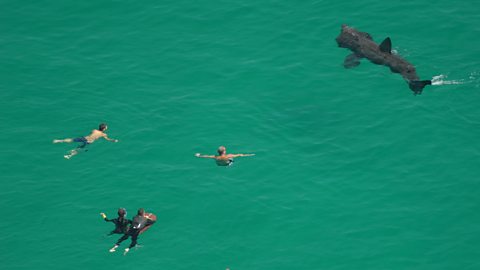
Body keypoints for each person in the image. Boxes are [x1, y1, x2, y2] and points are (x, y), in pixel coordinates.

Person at [53, 123, 118, 159]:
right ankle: (69, 156)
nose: (107, 128)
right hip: (88, 142)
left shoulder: (94, 130)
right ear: (104, 129)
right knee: (79, 149)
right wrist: (113, 140)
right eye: (106, 127)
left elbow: (91, 134)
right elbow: (108, 139)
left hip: (84, 138)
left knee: (71, 140)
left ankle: (59, 141)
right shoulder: (103, 134)